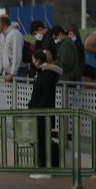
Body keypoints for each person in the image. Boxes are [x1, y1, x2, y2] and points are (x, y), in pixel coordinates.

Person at [28, 50, 62, 178]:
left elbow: (45, 95)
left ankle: (45, 169)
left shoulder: (47, 74)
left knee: (42, 142)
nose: (32, 62)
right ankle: (44, 167)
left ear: (38, 60)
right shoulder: (43, 73)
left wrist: (36, 107)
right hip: (41, 113)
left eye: (33, 60)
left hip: (43, 114)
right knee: (41, 140)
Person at [0, 14, 24, 81]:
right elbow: (0, 55)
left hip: (19, 70)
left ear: (2, 23)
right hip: (8, 71)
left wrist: (13, 73)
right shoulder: (2, 35)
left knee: (19, 91)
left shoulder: (15, 34)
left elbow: (17, 54)